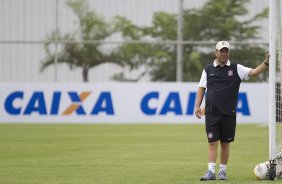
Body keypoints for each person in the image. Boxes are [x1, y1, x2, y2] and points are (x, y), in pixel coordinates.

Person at [195, 41, 270, 181]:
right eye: (221, 51)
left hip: (229, 113)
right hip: (211, 113)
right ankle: (210, 171)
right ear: (215, 52)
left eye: (226, 51)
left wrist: (266, 63)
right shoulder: (208, 69)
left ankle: (222, 171)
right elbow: (201, 88)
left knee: (225, 143)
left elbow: (253, 72)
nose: (224, 53)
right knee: (212, 143)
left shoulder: (236, 68)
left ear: (228, 53)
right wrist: (197, 105)